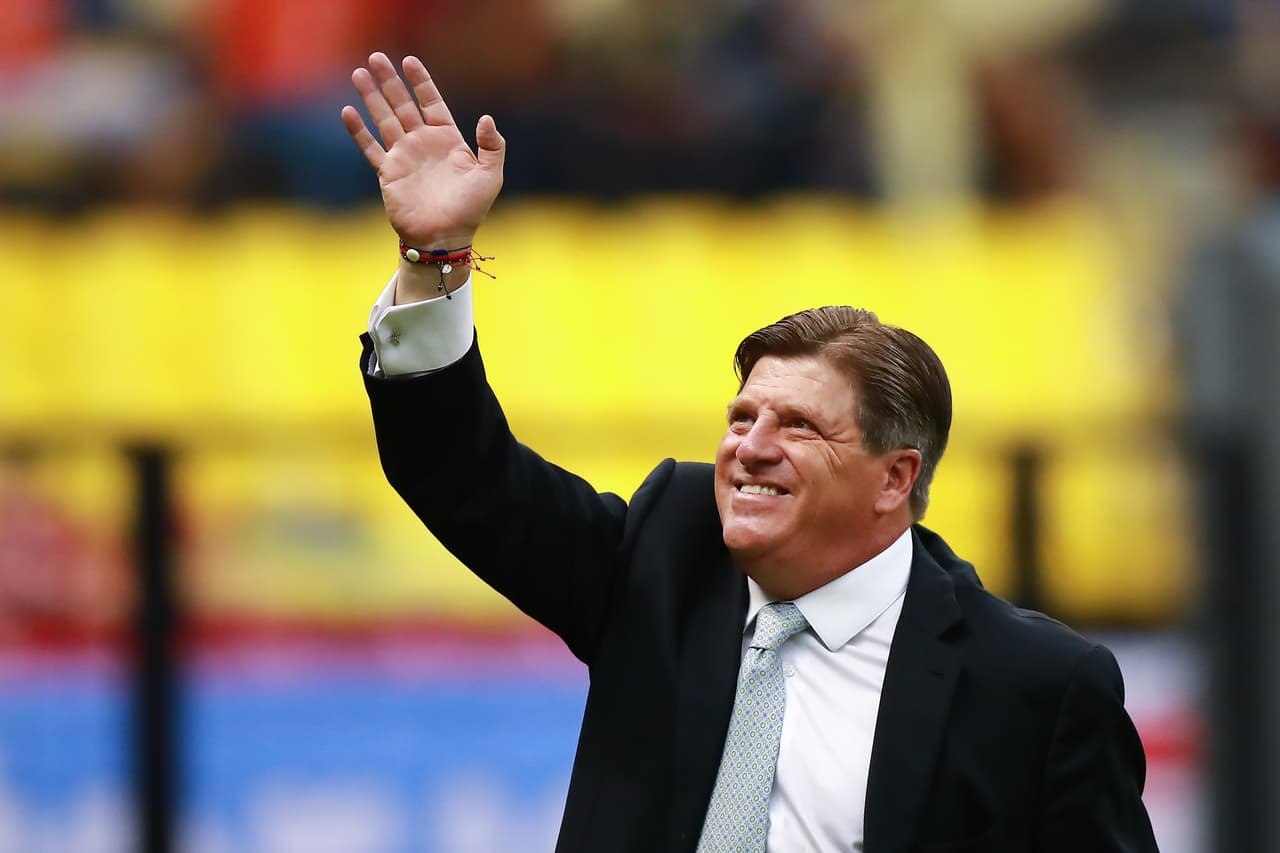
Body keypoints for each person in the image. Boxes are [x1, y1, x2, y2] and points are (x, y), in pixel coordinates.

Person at [344, 52, 1158, 853]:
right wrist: (437, 261)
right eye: (741, 418)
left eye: (798, 425)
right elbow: (462, 473)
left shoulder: (1032, 686)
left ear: (895, 478)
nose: (750, 448)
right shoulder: (666, 551)